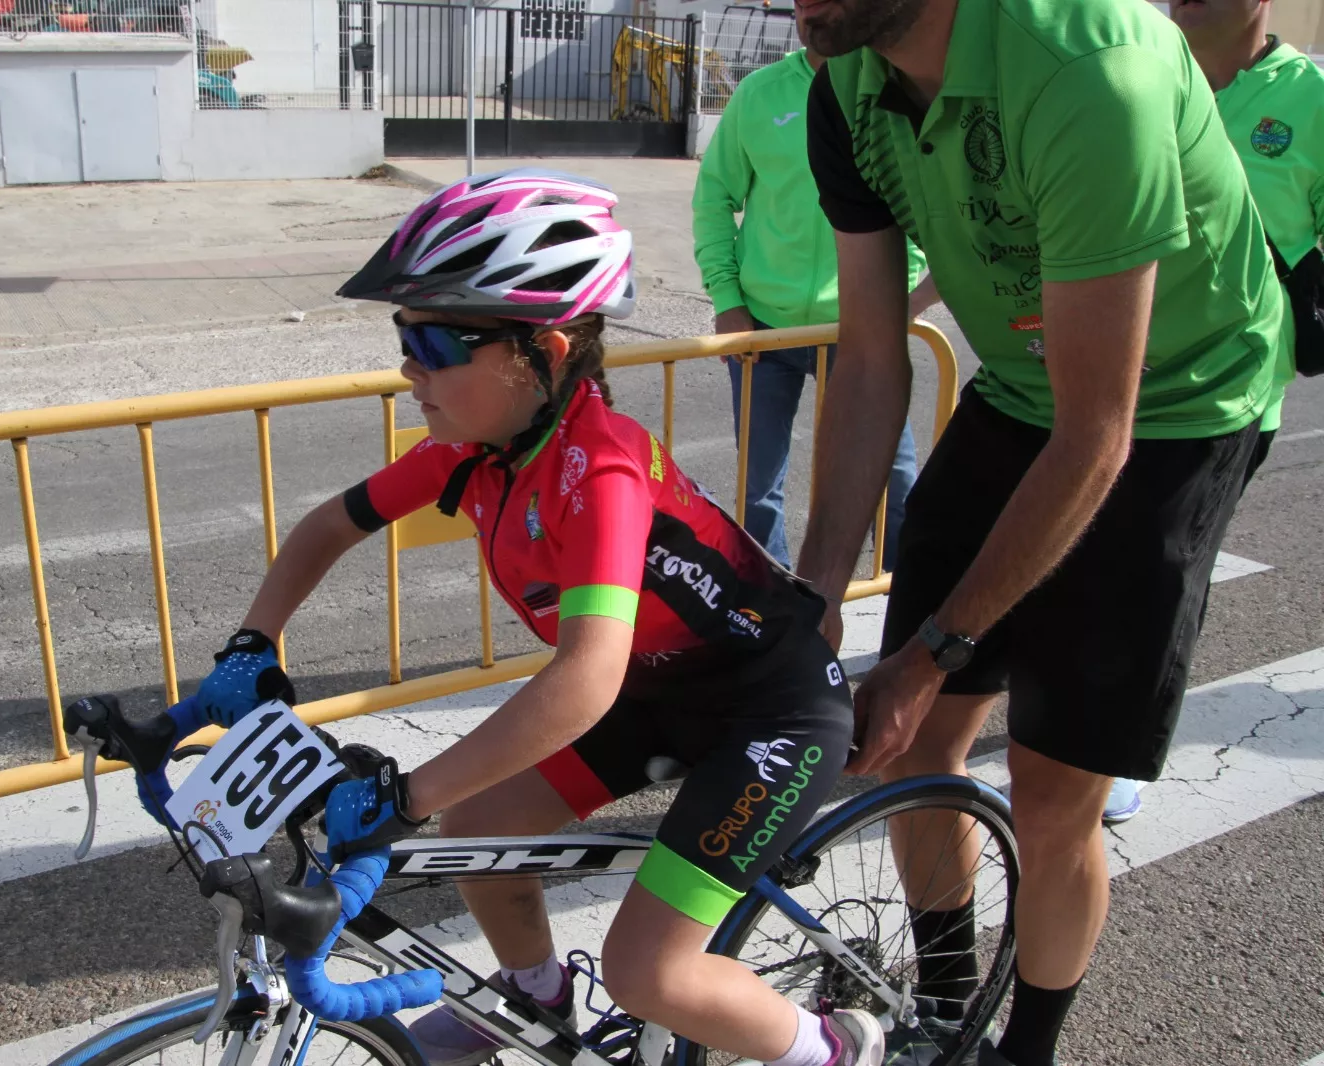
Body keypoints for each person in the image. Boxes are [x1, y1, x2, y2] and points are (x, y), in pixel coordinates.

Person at [166, 169, 883, 1066]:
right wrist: (250, 645)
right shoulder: (474, 453)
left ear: (537, 351)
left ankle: (839, 1050)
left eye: (431, 341)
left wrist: (406, 796)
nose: (408, 367)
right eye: (404, 337)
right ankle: (533, 995)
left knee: (647, 972)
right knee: (474, 830)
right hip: (655, 690)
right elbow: (327, 528)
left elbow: (582, 679)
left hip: (769, 712)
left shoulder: (605, 473)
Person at [791, 0, 1287, 1062]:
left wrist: (933, 652)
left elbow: (1098, 435)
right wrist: (816, 593)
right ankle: (945, 1012)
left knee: (1055, 789)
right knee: (909, 750)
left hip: (1177, 405)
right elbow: (874, 361)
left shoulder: (1092, 68)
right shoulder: (843, 75)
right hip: (1020, 388)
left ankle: (1029, 1049)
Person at [1096, 0, 1324, 828]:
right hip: (1106, 359)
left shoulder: (1309, 98)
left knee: (1161, 562)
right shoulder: (1139, 69)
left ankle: (1120, 752)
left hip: (1230, 389)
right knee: (1082, 547)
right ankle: (1073, 704)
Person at [692, 15, 939, 569]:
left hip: (860, 332)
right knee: (759, 488)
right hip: (764, 328)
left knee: (894, 480)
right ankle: (776, 611)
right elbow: (713, 200)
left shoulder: (897, 89)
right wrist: (729, 303)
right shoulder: (760, 93)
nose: (812, 14)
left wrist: (904, 298)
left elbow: (925, 202)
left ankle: (902, 594)